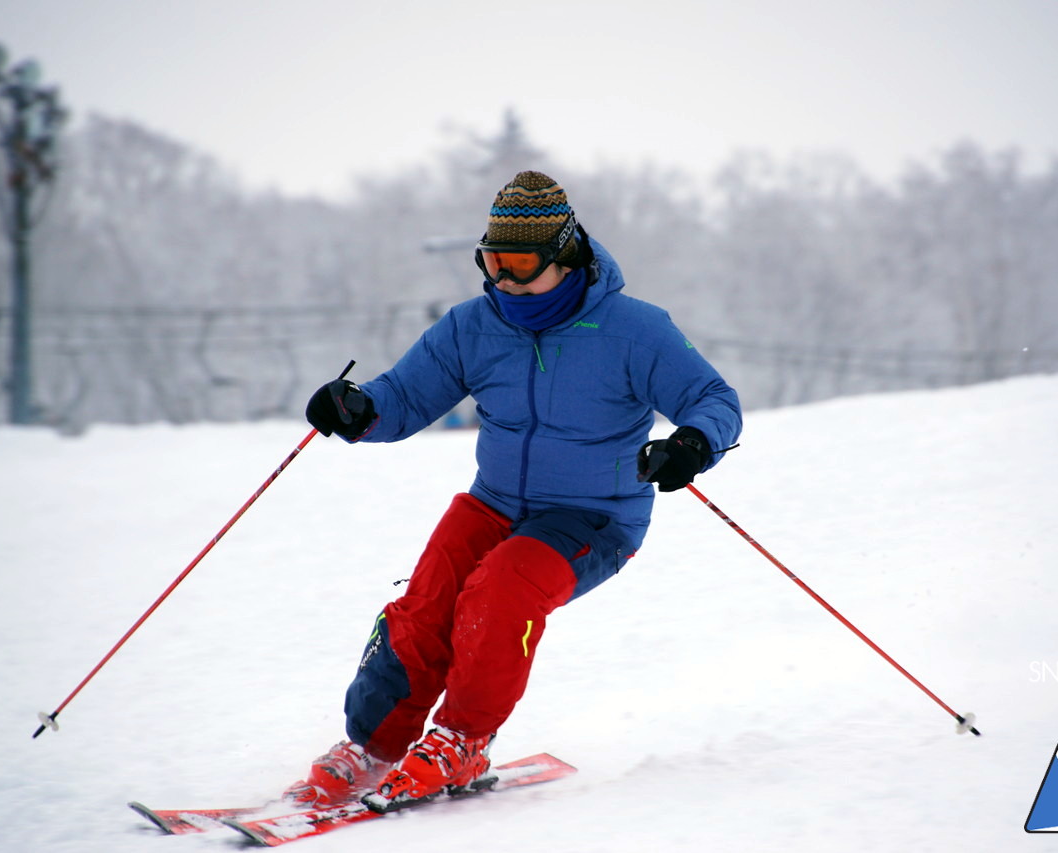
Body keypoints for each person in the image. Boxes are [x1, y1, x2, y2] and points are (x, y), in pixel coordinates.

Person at [286, 171, 742, 809]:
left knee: (500, 591)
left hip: (592, 519)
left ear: (565, 255)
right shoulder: (473, 327)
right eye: (492, 261)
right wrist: (360, 409)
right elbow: (406, 395)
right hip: (494, 502)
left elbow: (713, 399)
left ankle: (462, 741)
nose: (503, 280)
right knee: (428, 602)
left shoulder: (633, 330)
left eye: (520, 263)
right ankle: (376, 746)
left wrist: (693, 443)